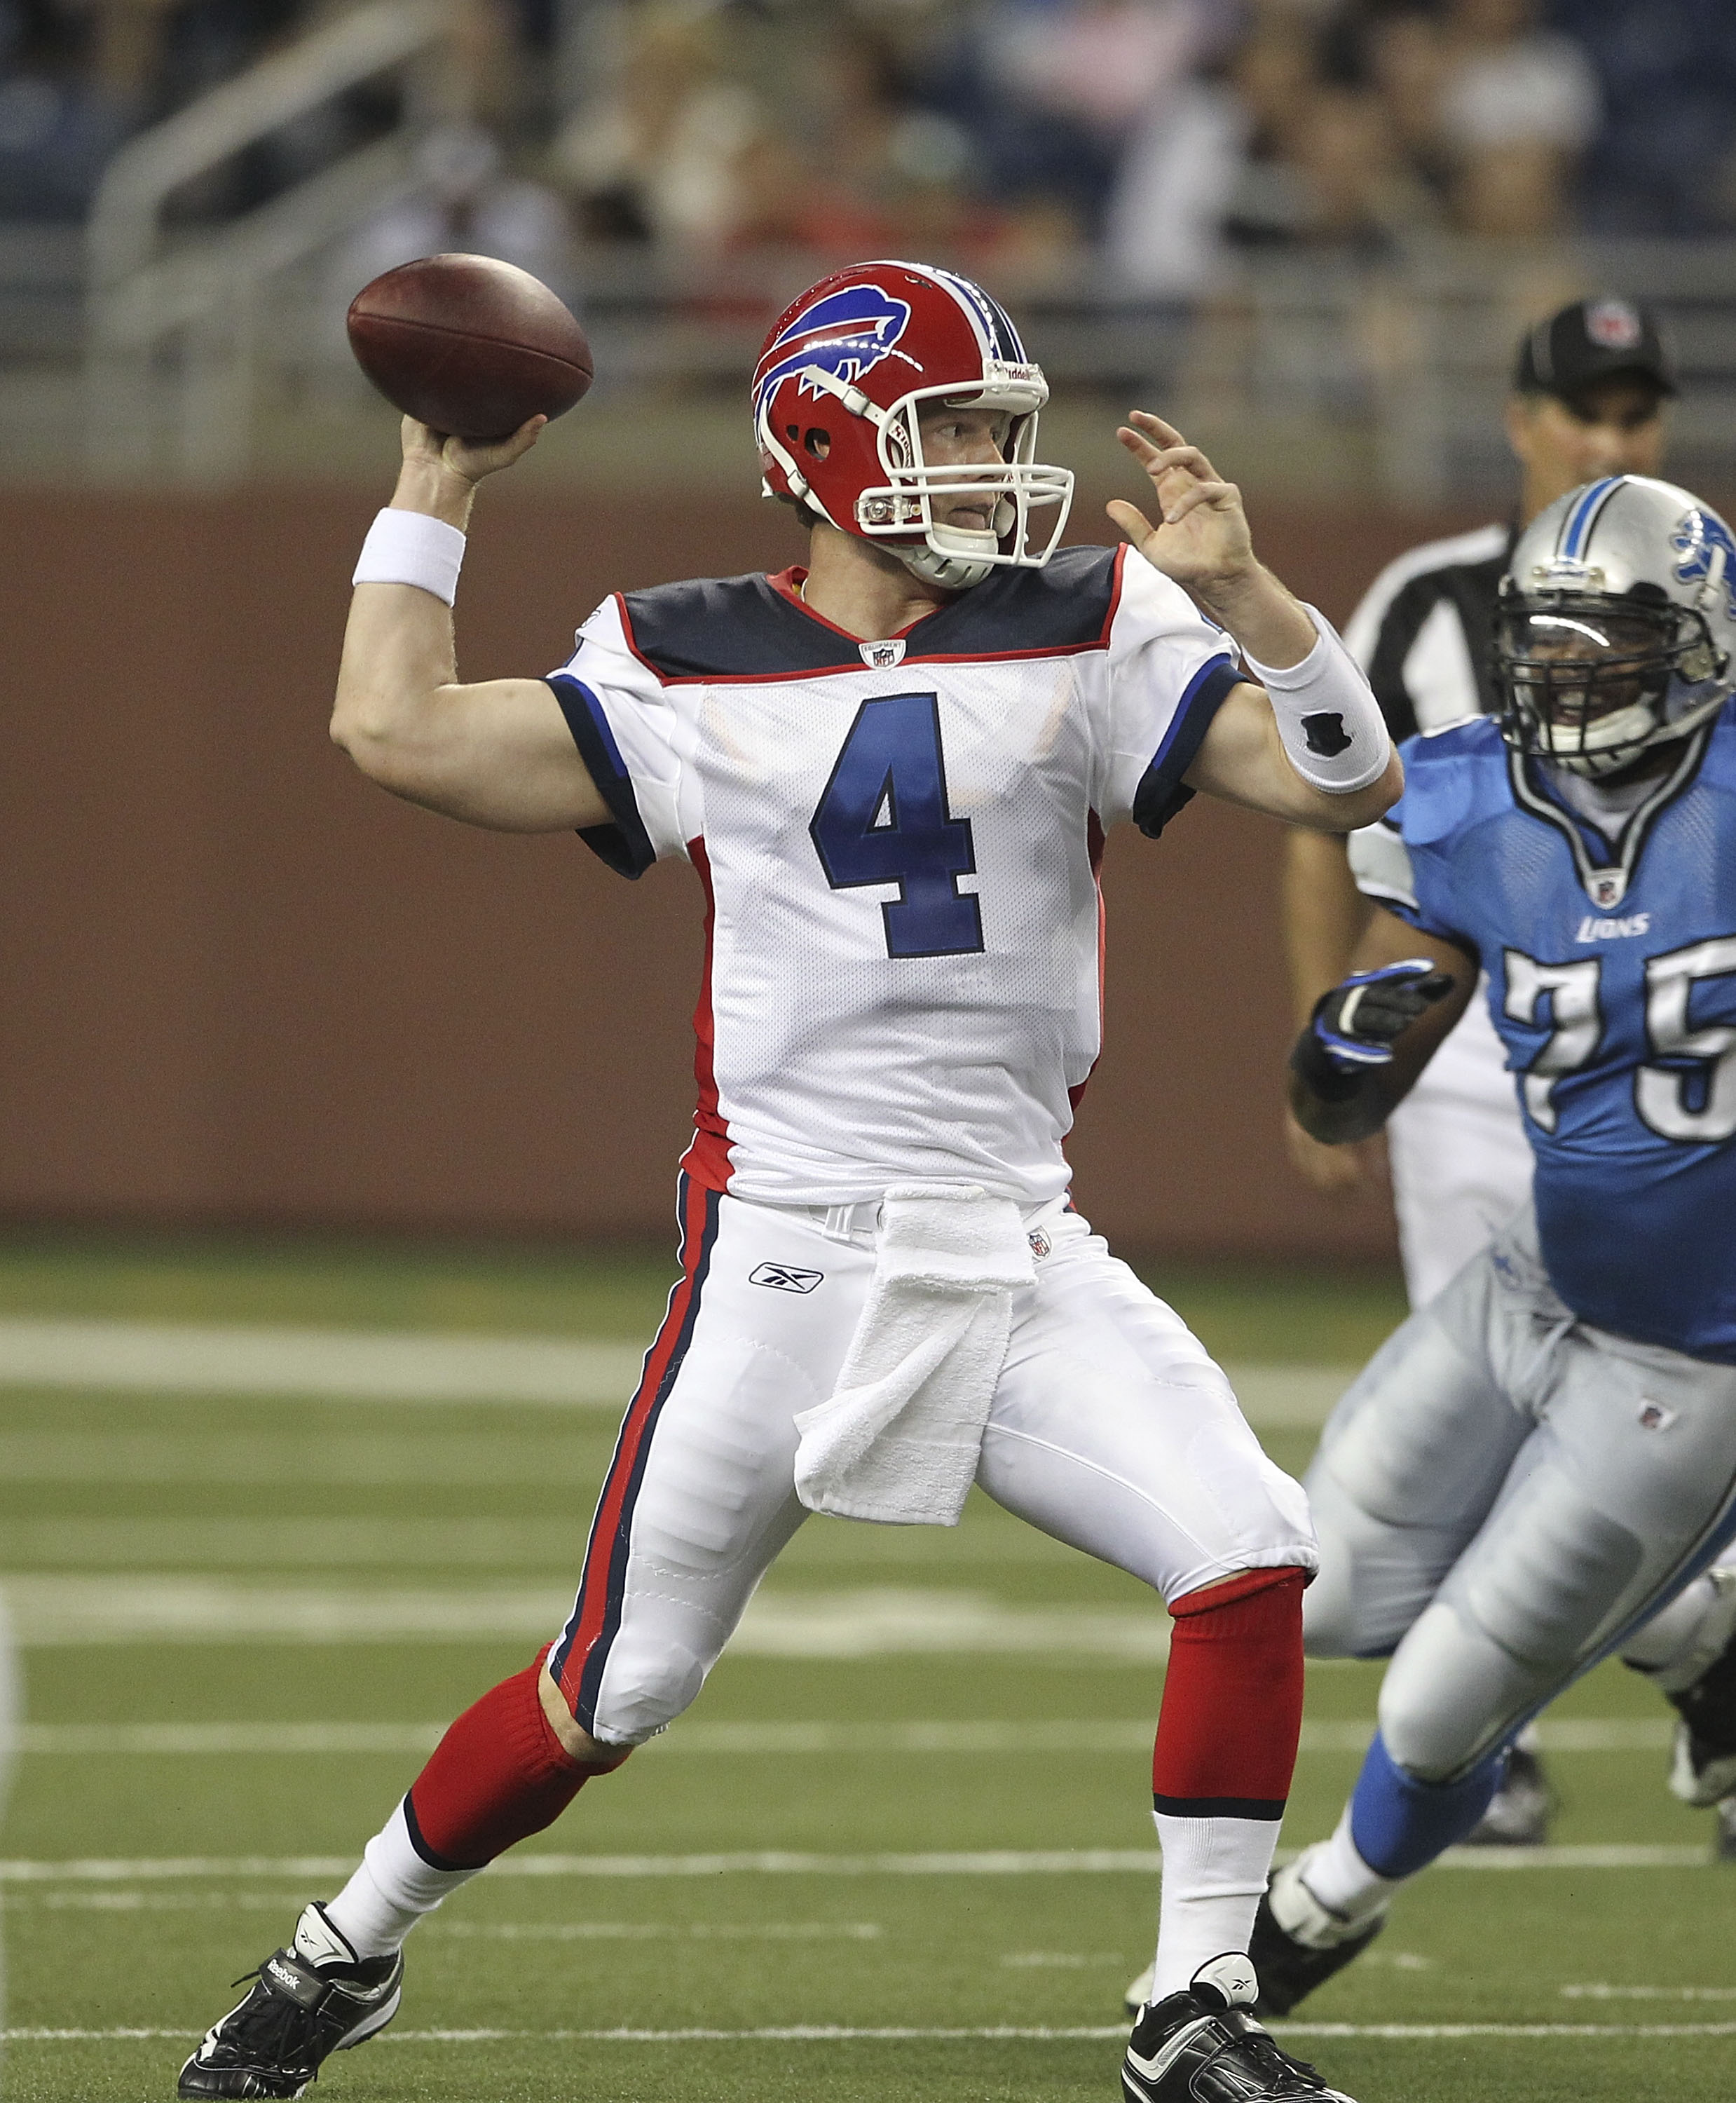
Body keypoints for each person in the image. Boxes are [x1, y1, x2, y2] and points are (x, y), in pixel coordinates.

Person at [176, 259, 1400, 2103]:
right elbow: (392, 731)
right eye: (961, 434)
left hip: (1013, 1250)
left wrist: (1256, 606)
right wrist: (434, 487)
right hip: (784, 1261)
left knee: (1247, 1554)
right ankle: (346, 1944)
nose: (1002, 467)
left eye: (1004, 428)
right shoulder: (680, 649)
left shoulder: (1094, 613)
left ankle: (1189, 2009)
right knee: (614, 1689)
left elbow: (1337, 785)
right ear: (827, 447)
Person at [1250, 470, 1736, 2016]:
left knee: (1445, 1701)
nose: (1574, 674)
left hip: (1698, 1357)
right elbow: (1403, 962)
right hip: (1532, 1278)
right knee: (1315, 1593)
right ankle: (1712, 1632)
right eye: (1553, 643)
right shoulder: (1476, 793)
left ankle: (1315, 1915)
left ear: (1701, 645)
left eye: (1614, 644)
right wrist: (1342, 1063)